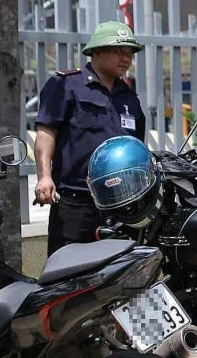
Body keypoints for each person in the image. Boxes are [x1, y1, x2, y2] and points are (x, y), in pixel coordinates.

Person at [34, 21, 146, 255]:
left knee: (117, 272)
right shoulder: (66, 85)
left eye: (129, 53)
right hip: (76, 202)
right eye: (118, 51)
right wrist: (44, 177)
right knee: (66, 270)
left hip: (119, 204)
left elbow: (136, 148)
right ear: (96, 51)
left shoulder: (129, 98)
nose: (126, 58)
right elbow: (46, 133)